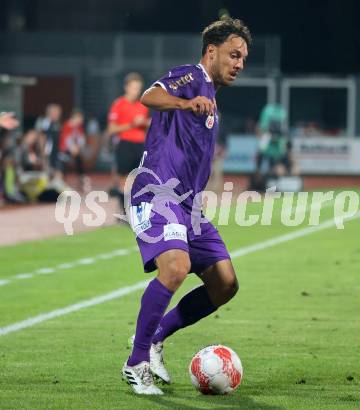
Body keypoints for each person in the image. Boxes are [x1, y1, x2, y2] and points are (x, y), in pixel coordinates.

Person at [121, 17, 251, 395]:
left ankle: (155, 337)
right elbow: (149, 96)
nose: (240, 63)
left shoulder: (211, 98)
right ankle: (136, 363)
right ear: (212, 52)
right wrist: (183, 101)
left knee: (225, 284)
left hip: (188, 207)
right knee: (175, 268)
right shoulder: (190, 78)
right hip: (157, 193)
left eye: (243, 57)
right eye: (234, 54)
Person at [107, 73, 149, 214]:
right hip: (125, 144)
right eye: (133, 87)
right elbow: (111, 129)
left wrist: (146, 123)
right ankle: (123, 213)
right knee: (123, 180)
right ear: (126, 87)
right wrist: (132, 124)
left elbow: (147, 125)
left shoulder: (142, 106)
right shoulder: (118, 104)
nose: (136, 91)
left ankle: (137, 211)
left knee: (140, 179)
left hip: (140, 145)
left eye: (138, 88)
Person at [57, 109, 89, 192]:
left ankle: (82, 179)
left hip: (75, 149)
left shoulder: (79, 127)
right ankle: (62, 183)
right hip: (64, 149)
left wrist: (78, 147)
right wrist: (72, 148)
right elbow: (66, 139)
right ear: (76, 117)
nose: (81, 120)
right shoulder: (67, 125)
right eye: (80, 118)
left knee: (80, 160)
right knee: (63, 162)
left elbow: (81, 139)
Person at [34, 103, 62, 172]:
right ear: (51, 113)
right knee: (46, 171)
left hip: (56, 152)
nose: (59, 115)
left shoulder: (57, 123)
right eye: (57, 113)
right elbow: (41, 136)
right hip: (47, 152)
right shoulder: (44, 122)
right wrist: (42, 150)